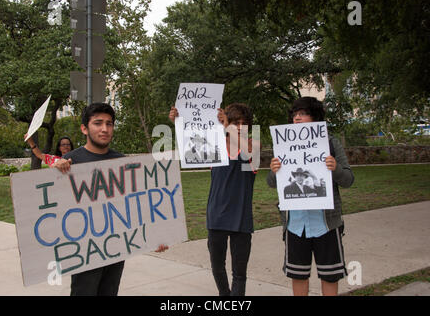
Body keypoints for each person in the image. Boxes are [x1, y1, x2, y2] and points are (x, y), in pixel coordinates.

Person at [55, 102, 167, 296]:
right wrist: (55, 172)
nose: (105, 129)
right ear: (84, 128)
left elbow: (135, 204)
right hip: (86, 251)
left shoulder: (121, 162)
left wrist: (153, 236)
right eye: (98, 123)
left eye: (109, 124)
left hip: (116, 248)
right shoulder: (70, 161)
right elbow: (53, 204)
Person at [266, 96, 354, 296]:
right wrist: (274, 171)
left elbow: (348, 180)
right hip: (295, 225)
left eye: (303, 113)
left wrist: (335, 168)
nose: (297, 118)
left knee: (330, 275)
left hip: (326, 224)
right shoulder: (284, 144)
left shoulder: (331, 143)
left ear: (315, 118)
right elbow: (272, 184)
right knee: (298, 275)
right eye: (295, 114)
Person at [169, 103, 260, 296]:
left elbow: (245, 150)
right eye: (236, 122)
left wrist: (227, 127)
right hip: (217, 215)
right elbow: (189, 145)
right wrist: (178, 121)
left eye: (244, 123)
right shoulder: (214, 146)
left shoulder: (253, 145)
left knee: (239, 273)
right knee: (218, 267)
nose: (240, 126)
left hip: (241, 217)